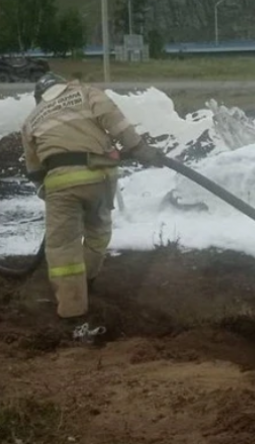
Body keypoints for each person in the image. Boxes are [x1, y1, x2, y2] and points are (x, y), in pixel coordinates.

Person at [21, 72, 164, 328]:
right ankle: (87, 279)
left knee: (63, 246)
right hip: (100, 177)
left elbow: (33, 168)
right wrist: (139, 149)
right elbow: (115, 120)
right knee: (97, 230)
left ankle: (73, 308)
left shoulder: (32, 118)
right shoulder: (87, 93)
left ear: (39, 97)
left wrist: (46, 191)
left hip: (60, 183)